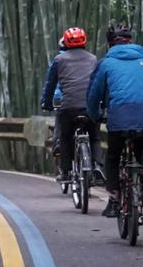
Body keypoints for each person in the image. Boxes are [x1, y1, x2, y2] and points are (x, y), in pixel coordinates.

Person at [86, 23, 143, 217]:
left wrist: (94, 115)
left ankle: (113, 200)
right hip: (141, 115)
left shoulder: (106, 63)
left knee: (112, 156)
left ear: (110, 44)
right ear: (131, 41)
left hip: (118, 116)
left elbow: (94, 94)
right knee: (142, 148)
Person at [41, 27, 103, 185]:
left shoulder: (59, 60)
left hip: (68, 107)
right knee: (95, 137)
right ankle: (97, 165)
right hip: (90, 106)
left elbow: (50, 84)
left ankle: (66, 172)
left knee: (66, 137)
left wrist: (46, 103)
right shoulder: (93, 58)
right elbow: (98, 83)